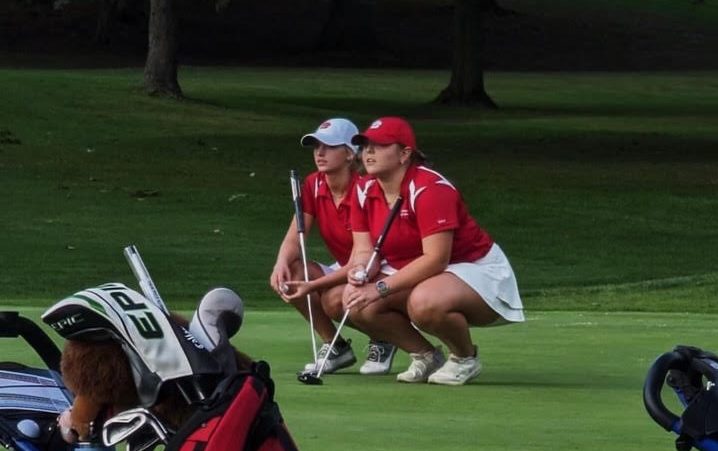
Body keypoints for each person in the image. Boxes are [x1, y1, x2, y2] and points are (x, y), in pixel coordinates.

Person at [342, 116, 525, 386]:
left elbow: (436, 260)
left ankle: (465, 357)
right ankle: (426, 356)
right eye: (365, 145)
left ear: (404, 154)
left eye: (379, 145)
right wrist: (359, 272)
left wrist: (378, 288)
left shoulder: (430, 188)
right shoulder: (363, 190)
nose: (368, 152)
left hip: (475, 270)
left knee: (424, 302)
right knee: (357, 303)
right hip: (419, 271)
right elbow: (363, 249)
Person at [270, 118, 397, 375]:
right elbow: (295, 237)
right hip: (348, 267)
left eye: (329, 146)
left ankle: (384, 337)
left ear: (350, 154)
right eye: (316, 146)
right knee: (291, 275)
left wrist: (314, 286)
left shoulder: (366, 189)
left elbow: (361, 260)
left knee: (333, 299)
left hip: (380, 270)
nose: (320, 152)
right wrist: (280, 263)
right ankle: (336, 346)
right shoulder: (313, 184)